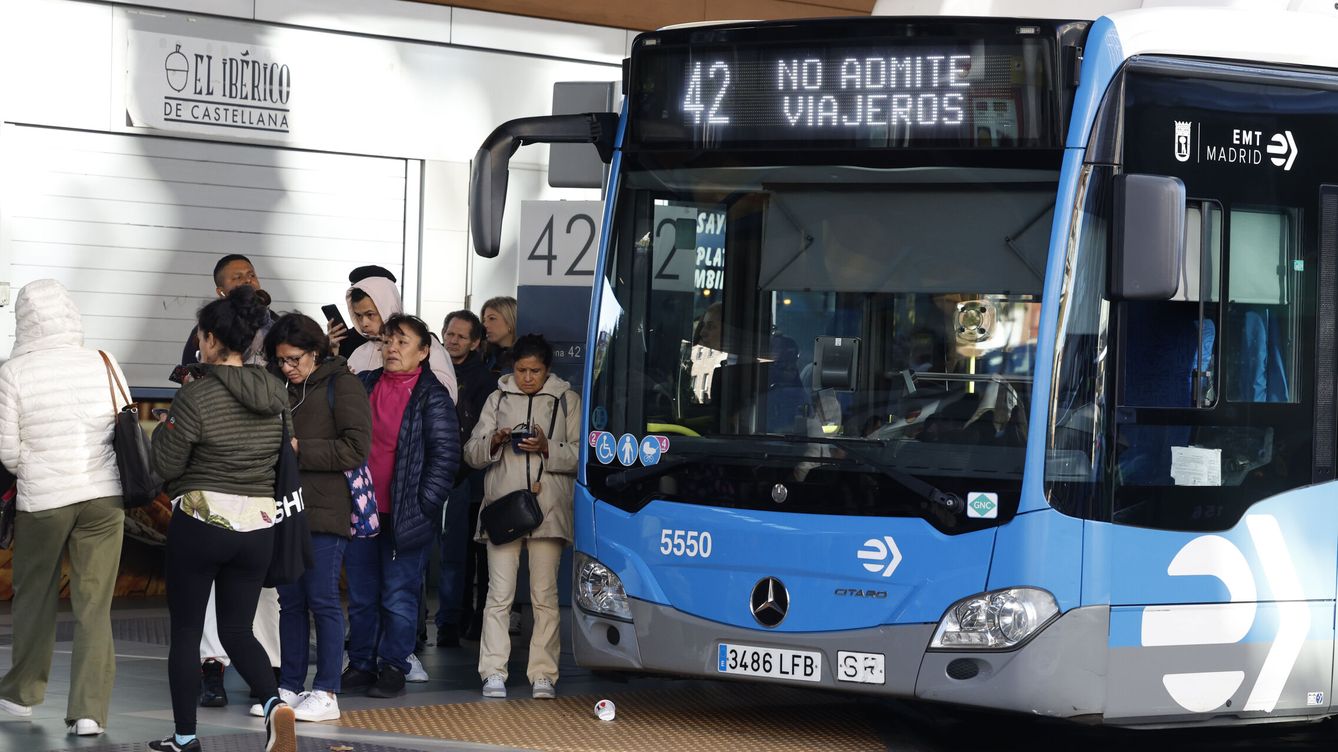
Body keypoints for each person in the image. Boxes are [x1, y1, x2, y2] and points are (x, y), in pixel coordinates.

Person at [150, 286, 296, 752]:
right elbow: (283, 454)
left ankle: (185, 737)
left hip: (202, 522)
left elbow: (165, 466)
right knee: (238, 629)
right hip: (258, 525)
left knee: (189, 630)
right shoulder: (276, 391)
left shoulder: (198, 396)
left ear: (209, 340)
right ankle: (275, 706)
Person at [0, 280, 127, 737]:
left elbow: (8, 450)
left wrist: (39, 469)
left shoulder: (13, 371)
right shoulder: (103, 360)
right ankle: (89, 712)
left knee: (35, 595)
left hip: (44, 500)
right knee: (95, 604)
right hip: (103, 497)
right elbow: (123, 422)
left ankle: (22, 695)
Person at [180, 254, 281, 708]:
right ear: (222, 291)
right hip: (245, 499)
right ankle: (217, 671)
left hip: (239, 495)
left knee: (263, 594)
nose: (248, 280)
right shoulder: (203, 342)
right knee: (217, 609)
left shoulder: (281, 326)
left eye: (251, 273)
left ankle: (271, 676)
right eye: (238, 277)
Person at [342, 315, 459, 699]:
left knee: (398, 595)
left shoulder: (432, 395)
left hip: (406, 514)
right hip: (362, 509)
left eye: (403, 342)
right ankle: (360, 664)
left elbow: (445, 459)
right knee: (360, 594)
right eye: (388, 342)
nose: (392, 349)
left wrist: (424, 506)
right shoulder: (363, 385)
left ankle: (394, 665)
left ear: (424, 352)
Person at [263, 313, 371, 722]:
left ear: (315, 352)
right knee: (289, 601)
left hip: (327, 507)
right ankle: (289, 685)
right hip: (285, 508)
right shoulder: (280, 387)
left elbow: (356, 447)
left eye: (294, 360)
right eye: (281, 361)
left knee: (322, 599)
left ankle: (327, 690)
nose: (287, 368)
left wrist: (298, 447)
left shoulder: (343, 384)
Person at [465, 334, 581, 700]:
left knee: (544, 596)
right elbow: (471, 453)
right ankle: (493, 672)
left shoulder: (566, 399)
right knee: (499, 594)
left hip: (548, 508)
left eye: (535, 371)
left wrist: (549, 447)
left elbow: (582, 456)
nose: (527, 377)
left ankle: (543, 674)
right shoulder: (496, 397)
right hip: (503, 507)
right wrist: (495, 442)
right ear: (511, 367)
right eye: (520, 370)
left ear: (548, 370)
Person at [436, 310, 493, 646]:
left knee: (477, 556)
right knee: (453, 555)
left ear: (475, 342)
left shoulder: (485, 380)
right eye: (449, 333)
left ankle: (472, 620)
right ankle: (449, 623)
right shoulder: (432, 370)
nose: (453, 340)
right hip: (445, 475)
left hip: (475, 479)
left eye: (460, 336)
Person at [329, 265, 458, 403]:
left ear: (387, 306)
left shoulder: (425, 343)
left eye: (370, 314)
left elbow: (448, 396)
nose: (363, 323)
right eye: (358, 316)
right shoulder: (360, 352)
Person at [480, 296, 518, 375]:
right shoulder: (485, 355)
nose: (485, 325)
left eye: (492, 318)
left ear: (510, 320)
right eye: (484, 320)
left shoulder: (524, 358)